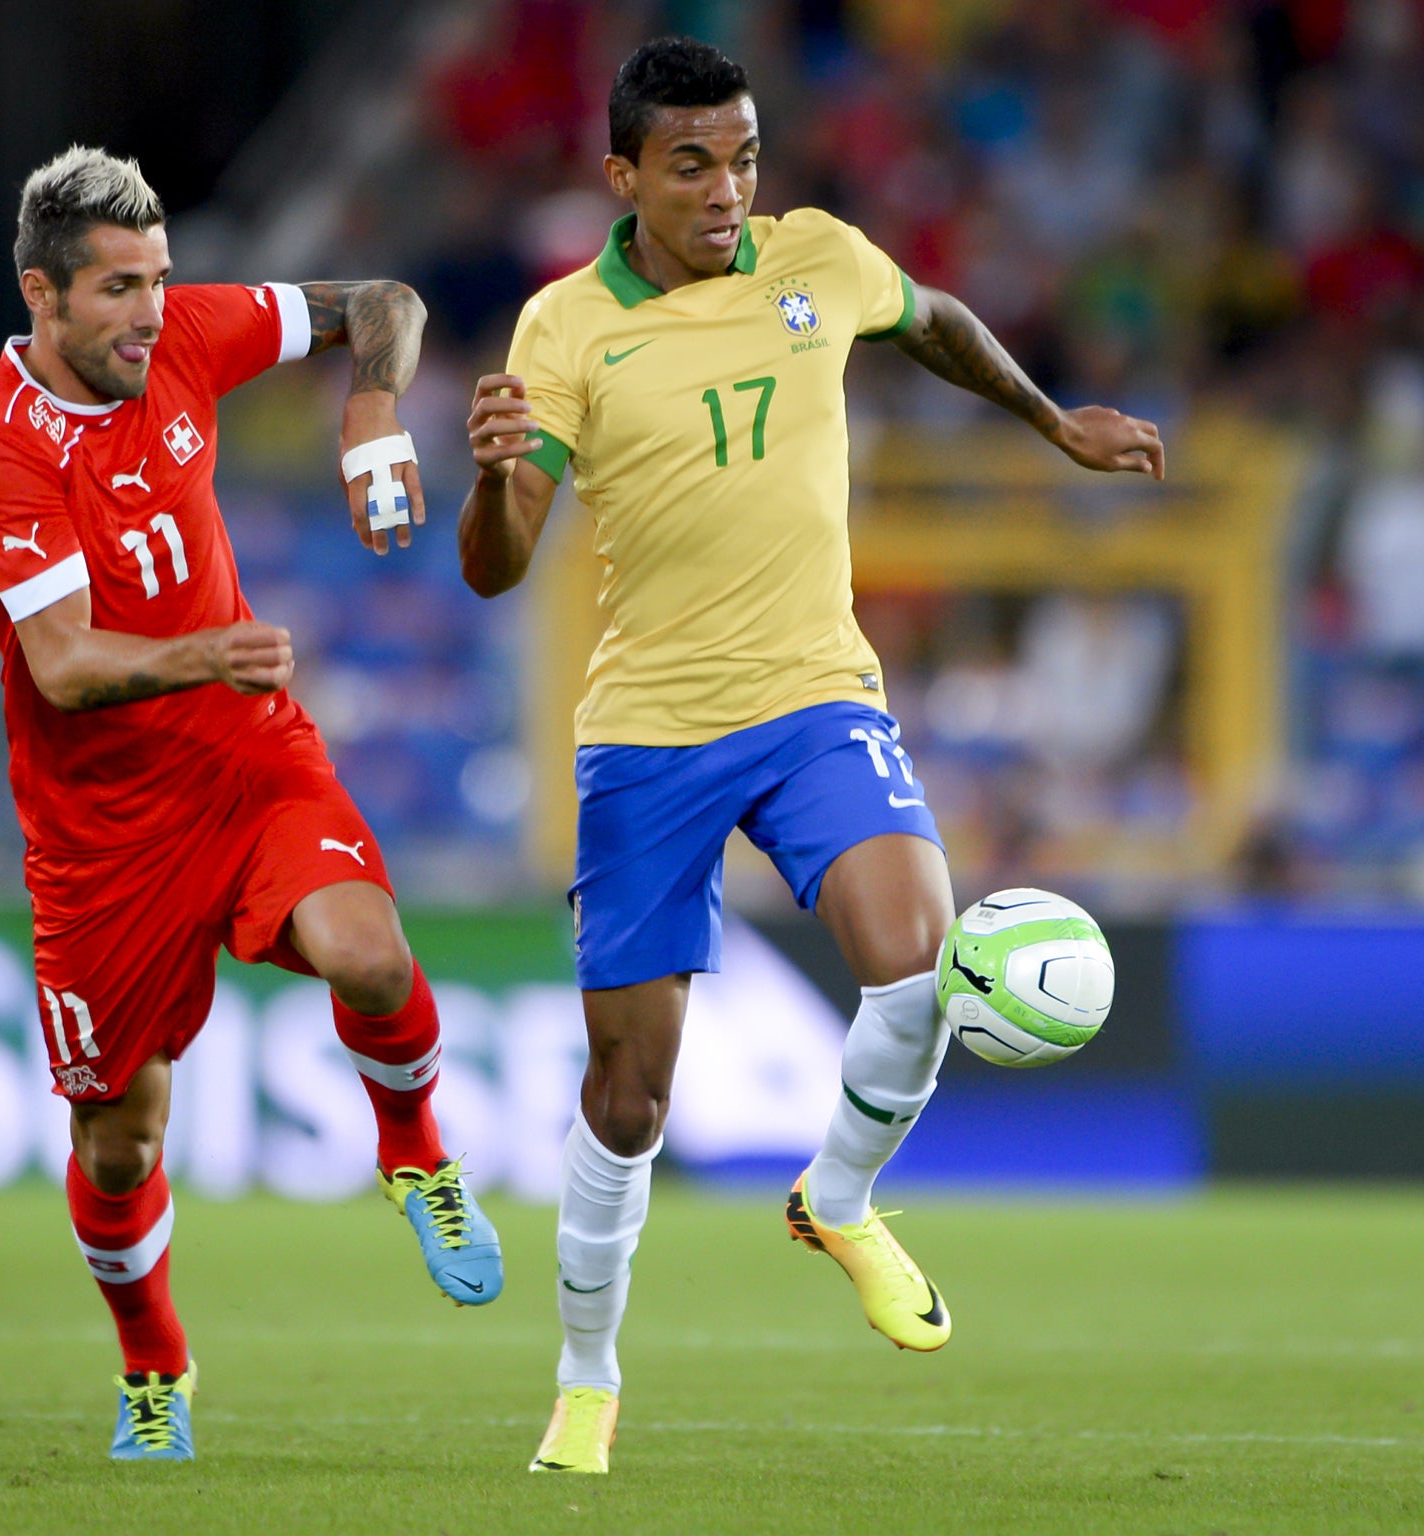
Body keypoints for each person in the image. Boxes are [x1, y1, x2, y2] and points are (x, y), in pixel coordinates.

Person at [458, 38, 1163, 1474]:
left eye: (745, 159)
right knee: (629, 1095)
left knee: (918, 952)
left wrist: (1048, 422)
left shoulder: (818, 258)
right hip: (650, 733)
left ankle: (835, 1198)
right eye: (692, 165)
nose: (728, 191)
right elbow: (498, 566)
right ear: (624, 178)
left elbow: (934, 318)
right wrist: (487, 473)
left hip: (815, 694)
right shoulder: (565, 331)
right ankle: (586, 1379)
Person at [0, 146, 503, 1462]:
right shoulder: (0, 445)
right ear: (42, 293)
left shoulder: (186, 331)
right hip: (101, 834)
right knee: (121, 1144)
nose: (151, 311)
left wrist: (371, 405)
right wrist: (209, 650)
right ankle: (158, 1373)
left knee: (368, 953)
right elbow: (65, 665)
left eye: (158, 280)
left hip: (248, 764)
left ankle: (416, 1155)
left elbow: (384, 300)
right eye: (117, 291)